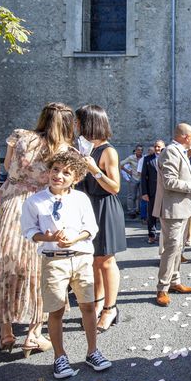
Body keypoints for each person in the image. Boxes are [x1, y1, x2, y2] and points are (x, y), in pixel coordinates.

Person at [0, 102, 74, 356]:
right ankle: (33, 334)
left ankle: (5, 332)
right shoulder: (64, 150)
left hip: (8, 203)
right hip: (39, 205)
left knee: (2, 265)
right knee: (39, 269)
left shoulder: (20, 137)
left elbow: (8, 167)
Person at [20, 150, 111, 377]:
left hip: (80, 259)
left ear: (76, 178)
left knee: (88, 306)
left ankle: (92, 351)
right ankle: (60, 356)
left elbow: (91, 227)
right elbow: (29, 230)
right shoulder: (35, 201)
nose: (59, 175)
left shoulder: (81, 199)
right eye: (55, 169)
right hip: (53, 262)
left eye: (66, 173)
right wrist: (48, 238)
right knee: (56, 310)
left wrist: (75, 238)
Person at [75, 105, 127, 333]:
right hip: (86, 208)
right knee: (93, 261)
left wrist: (94, 169)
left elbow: (115, 187)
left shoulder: (108, 151)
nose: (75, 126)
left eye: (78, 121)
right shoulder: (82, 148)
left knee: (106, 261)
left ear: (89, 123)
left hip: (104, 206)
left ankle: (110, 307)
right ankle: (96, 304)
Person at [153, 123, 191, 307]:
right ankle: (162, 288)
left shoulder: (180, 151)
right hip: (172, 208)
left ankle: (174, 281)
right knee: (171, 247)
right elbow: (169, 182)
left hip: (181, 208)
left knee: (178, 247)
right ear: (186, 137)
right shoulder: (170, 151)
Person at [140, 140, 165, 244]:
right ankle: (152, 235)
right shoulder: (147, 159)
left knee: (165, 214)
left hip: (165, 191)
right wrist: (144, 193)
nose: (157, 148)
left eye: (159, 147)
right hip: (152, 192)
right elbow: (143, 177)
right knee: (151, 214)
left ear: (164, 147)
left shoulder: (168, 158)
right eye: (155, 146)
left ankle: (165, 235)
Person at [120, 144, 144, 218]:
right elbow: (120, 164)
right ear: (135, 151)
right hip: (133, 178)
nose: (139, 151)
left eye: (141, 150)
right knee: (131, 196)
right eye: (138, 150)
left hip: (141, 178)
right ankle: (131, 211)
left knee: (141, 196)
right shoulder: (131, 158)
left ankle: (138, 210)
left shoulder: (144, 158)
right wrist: (127, 171)